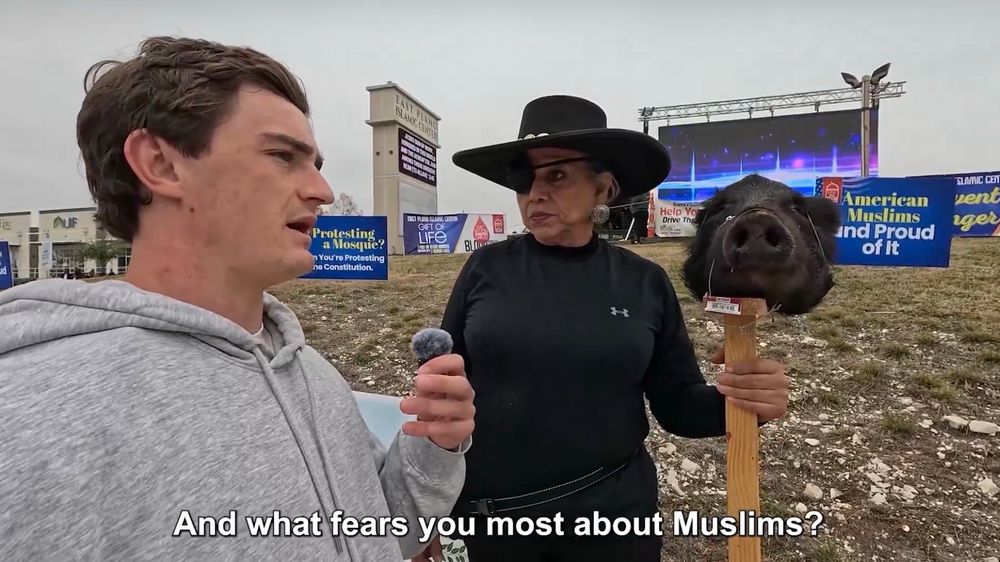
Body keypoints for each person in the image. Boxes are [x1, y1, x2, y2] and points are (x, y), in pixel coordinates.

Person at [0, 36, 473, 561]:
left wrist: (433, 445)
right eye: (281, 156)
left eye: (314, 162)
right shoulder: (29, 418)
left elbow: (383, 537)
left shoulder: (313, 375)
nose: (320, 189)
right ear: (160, 164)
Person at [413, 95, 790, 561]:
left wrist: (746, 402)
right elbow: (444, 394)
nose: (535, 193)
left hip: (614, 526)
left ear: (603, 188)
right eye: (522, 179)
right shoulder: (486, 267)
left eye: (556, 174)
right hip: (498, 529)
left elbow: (679, 408)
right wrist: (424, 511)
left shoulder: (644, 283)